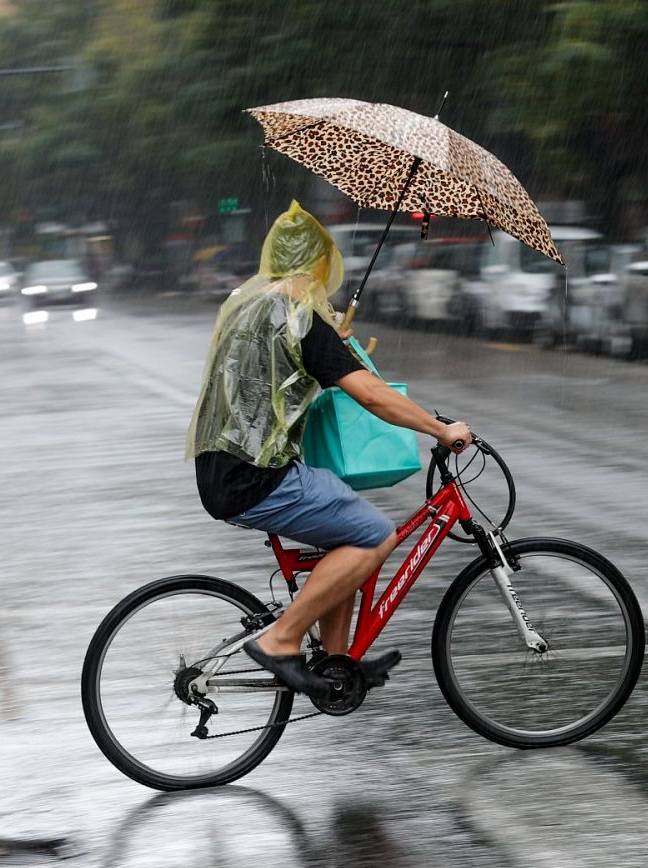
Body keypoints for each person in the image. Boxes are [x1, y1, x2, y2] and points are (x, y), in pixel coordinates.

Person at [186, 201, 471, 697]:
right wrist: (439, 430)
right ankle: (282, 640)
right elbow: (372, 395)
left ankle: (337, 663)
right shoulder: (300, 317)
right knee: (375, 534)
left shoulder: (255, 304)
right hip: (257, 475)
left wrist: (331, 342)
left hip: (221, 467)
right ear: (319, 265)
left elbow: (273, 372)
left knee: (346, 523)